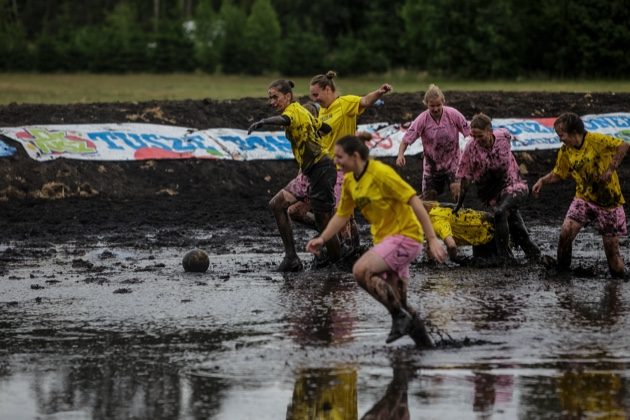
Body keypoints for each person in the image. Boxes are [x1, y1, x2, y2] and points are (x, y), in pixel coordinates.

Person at [306, 135, 447, 346]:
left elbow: (414, 201)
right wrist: (323, 238)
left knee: (360, 270)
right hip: (386, 243)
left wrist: (433, 239)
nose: (335, 161)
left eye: (339, 157)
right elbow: (342, 215)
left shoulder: (380, 173)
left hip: (406, 237)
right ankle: (427, 348)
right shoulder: (349, 182)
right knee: (401, 304)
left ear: (355, 156)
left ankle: (400, 319)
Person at [248, 79, 341, 272]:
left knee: (324, 223)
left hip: (322, 170)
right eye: (270, 98)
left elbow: (285, 120)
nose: (272, 102)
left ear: (287, 96)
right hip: (310, 172)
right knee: (277, 205)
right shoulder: (303, 111)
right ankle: (291, 257)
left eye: (275, 97)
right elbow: (325, 128)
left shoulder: (292, 111)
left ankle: (339, 262)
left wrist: (263, 122)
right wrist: (320, 132)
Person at [532, 112, 629, 279]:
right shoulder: (566, 151)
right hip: (583, 198)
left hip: (609, 202)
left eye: (561, 135)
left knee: (613, 259)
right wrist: (542, 181)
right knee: (565, 234)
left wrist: (610, 169)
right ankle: (562, 273)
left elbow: (624, 145)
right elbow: (559, 173)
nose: (560, 139)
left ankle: (621, 282)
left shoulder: (597, 141)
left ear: (574, 132)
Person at [309, 71, 393, 260]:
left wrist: (379, 92)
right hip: (325, 168)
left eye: (316, 95)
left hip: (342, 168)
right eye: (312, 96)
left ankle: (347, 249)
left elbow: (364, 101)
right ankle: (348, 245)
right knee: (314, 211)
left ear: (328, 89)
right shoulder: (322, 111)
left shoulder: (345, 103)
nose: (315, 99)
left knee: (341, 211)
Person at [454, 113, 540, 263]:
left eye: (480, 136)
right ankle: (535, 255)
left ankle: (503, 257)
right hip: (493, 195)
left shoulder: (503, 136)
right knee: (516, 227)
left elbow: (508, 139)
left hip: (515, 185)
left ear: (490, 131)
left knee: (500, 213)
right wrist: (459, 204)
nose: (477, 140)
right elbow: (465, 178)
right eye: (473, 136)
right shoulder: (470, 149)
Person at [396, 84, 471, 201]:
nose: (435, 109)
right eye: (432, 106)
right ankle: (417, 208)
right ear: (426, 104)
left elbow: (469, 133)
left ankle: (459, 215)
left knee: (457, 191)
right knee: (429, 199)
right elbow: (406, 140)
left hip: (453, 162)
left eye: (438, 105)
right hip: (432, 166)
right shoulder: (422, 120)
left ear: (443, 102)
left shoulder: (453, 114)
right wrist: (400, 155)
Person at [424, 201, 496, 263]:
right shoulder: (432, 209)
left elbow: (452, 246)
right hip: (481, 222)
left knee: (491, 263)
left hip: (487, 231)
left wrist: (453, 258)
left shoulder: (436, 221)